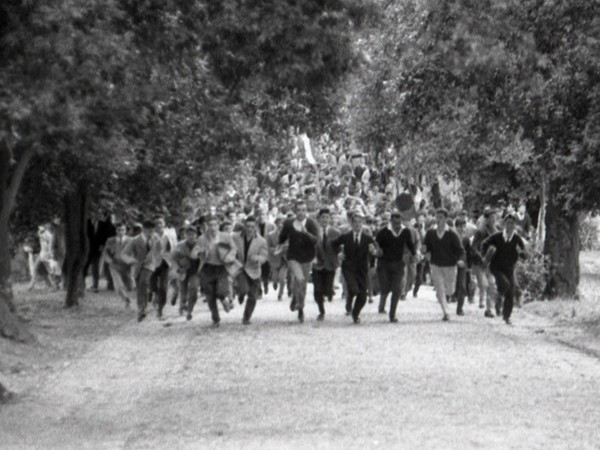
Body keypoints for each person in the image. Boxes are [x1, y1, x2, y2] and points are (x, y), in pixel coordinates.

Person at [332, 210, 379, 324]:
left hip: (362, 269)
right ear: (351, 224)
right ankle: (349, 300)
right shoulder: (346, 237)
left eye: (359, 222)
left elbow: (375, 249)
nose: (357, 225)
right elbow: (334, 244)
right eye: (355, 222)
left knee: (363, 297)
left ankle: (355, 313)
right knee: (353, 288)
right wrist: (339, 253)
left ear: (362, 223)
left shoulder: (367, 238)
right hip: (349, 268)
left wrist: (373, 252)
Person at [481, 213, 527, 325]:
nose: (510, 225)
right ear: (504, 224)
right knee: (504, 284)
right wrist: (486, 254)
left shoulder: (517, 239)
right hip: (496, 267)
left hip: (509, 268)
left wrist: (522, 254)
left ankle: (507, 316)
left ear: (515, 225)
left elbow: (524, 252)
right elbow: (484, 243)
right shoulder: (497, 236)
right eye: (508, 223)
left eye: (512, 223)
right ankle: (498, 299)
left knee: (510, 291)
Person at [278, 199, 319, 323]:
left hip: (307, 258)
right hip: (293, 257)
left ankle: (299, 304)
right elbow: (282, 237)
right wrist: (281, 244)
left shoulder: (311, 223)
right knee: (299, 279)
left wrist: (306, 233)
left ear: (306, 211)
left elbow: (316, 240)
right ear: (295, 211)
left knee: (303, 284)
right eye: (299, 210)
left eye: (303, 210)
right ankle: (299, 306)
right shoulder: (289, 223)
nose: (301, 213)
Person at [422, 208, 466, 321]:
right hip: (435, 264)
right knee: (440, 288)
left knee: (450, 290)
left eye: (441, 217)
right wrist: (424, 250)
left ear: (446, 219)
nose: (438, 220)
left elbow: (461, 250)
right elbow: (425, 246)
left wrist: (461, 260)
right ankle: (446, 312)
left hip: (450, 265)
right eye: (437, 217)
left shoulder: (452, 234)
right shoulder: (430, 232)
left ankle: (446, 296)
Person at [192, 214, 237, 326]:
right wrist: (197, 253)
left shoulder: (225, 236)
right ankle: (215, 318)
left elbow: (234, 248)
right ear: (206, 226)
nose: (212, 228)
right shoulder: (202, 239)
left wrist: (229, 257)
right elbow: (193, 253)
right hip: (207, 268)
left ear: (218, 226)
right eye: (210, 225)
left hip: (221, 267)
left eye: (215, 225)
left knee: (221, 290)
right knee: (210, 295)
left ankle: (223, 299)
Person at [376, 211, 415, 322]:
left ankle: (392, 315)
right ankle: (382, 305)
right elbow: (375, 243)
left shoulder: (405, 232)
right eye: (395, 223)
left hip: (398, 264)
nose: (397, 225)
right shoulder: (383, 232)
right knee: (386, 287)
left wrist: (415, 255)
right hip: (384, 264)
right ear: (391, 221)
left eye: (399, 223)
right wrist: (377, 250)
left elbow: (410, 245)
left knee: (397, 289)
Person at [121, 220, 160, 322]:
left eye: (152, 231)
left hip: (150, 265)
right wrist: (132, 261)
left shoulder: (156, 238)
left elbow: (160, 250)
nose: (151, 233)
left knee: (143, 282)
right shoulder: (135, 241)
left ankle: (144, 306)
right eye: (149, 231)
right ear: (144, 230)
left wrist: (156, 259)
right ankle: (141, 308)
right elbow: (124, 254)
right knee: (139, 287)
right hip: (138, 266)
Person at [233, 216, 268, 324]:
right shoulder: (235, 237)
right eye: (247, 226)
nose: (249, 229)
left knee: (253, 295)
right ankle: (240, 293)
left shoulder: (261, 241)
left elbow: (264, 256)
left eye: (252, 227)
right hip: (241, 268)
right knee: (244, 289)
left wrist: (258, 259)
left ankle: (246, 317)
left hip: (254, 270)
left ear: (256, 227)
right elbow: (230, 250)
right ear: (244, 225)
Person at [312, 208, 341, 321]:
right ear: (318, 219)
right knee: (317, 290)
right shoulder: (314, 232)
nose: (325, 220)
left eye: (327, 217)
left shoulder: (335, 232)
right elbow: (311, 246)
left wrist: (339, 256)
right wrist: (312, 257)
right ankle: (321, 311)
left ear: (330, 219)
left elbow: (340, 248)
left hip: (330, 264)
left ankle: (329, 293)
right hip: (317, 264)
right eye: (322, 217)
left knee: (328, 289)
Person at [472, 208, 499, 317]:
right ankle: (481, 299)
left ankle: (490, 309)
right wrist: (481, 257)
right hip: (480, 262)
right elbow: (473, 247)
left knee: (492, 284)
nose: (494, 220)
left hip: (492, 262)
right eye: (492, 217)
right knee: (483, 284)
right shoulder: (480, 232)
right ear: (486, 219)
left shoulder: (497, 232)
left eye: (495, 218)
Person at [102, 223, 134, 307]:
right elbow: (105, 253)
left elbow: (135, 253)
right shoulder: (110, 240)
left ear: (125, 231)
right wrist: (110, 261)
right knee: (118, 285)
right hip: (114, 265)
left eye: (122, 230)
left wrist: (132, 261)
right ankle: (126, 300)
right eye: (119, 230)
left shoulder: (131, 240)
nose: (120, 232)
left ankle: (128, 290)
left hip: (126, 266)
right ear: (116, 230)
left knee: (130, 286)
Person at [171, 225, 201, 317]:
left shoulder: (200, 245)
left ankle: (189, 310)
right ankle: (182, 306)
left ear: (196, 235)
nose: (191, 236)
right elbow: (173, 259)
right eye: (188, 234)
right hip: (183, 270)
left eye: (193, 234)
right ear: (185, 235)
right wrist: (177, 269)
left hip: (195, 271)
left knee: (194, 288)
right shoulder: (180, 245)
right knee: (183, 292)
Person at [149, 216, 173, 319]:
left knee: (163, 288)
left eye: (161, 223)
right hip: (152, 263)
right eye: (157, 223)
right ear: (154, 226)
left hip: (165, 263)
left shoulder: (169, 236)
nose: (159, 225)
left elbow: (173, 249)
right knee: (153, 285)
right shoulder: (150, 237)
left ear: (164, 225)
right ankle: (153, 294)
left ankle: (160, 311)